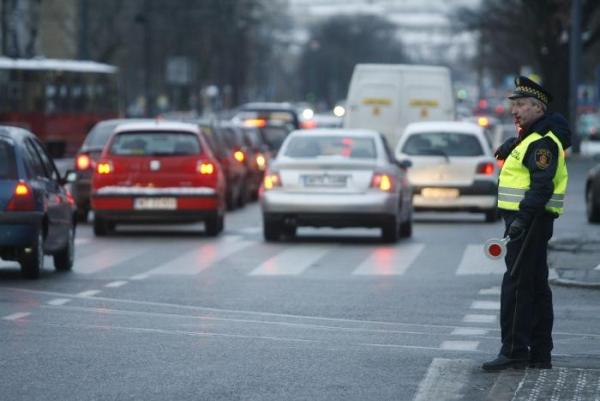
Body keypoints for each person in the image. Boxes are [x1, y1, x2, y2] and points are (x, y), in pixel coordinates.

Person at [482, 76, 571, 372]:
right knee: (534, 285)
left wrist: (521, 219)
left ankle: (515, 351)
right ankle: (539, 353)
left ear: (538, 108)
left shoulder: (542, 142)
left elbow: (541, 186)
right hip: (530, 220)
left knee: (517, 286)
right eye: (514, 105)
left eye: (520, 105)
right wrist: (516, 142)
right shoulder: (534, 137)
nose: (514, 110)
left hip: (529, 221)